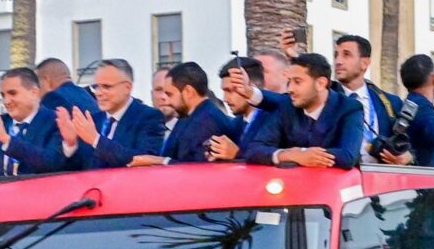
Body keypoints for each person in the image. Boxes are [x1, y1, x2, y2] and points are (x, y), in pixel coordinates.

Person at [236, 52, 366, 168]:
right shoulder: (286, 106)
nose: (290, 88)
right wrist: (289, 155)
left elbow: (348, 155)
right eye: (289, 81)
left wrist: (304, 154)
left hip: (335, 189)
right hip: (288, 185)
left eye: (297, 82)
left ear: (320, 83)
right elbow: (254, 150)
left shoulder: (349, 108)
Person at [53, 58, 166, 169]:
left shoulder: (149, 117)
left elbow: (144, 160)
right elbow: (80, 167)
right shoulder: (94, 121)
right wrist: (71, 144)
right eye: (96, 86)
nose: (98, 93)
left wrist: (96, 140)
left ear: (127, 87)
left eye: (106, 87)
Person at [157, 62, 242, 165]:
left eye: (170, 94)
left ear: (188, 91)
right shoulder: (189, 116)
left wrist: (161, 161)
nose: (168, 101)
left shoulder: (206, 122)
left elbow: (197, 169)